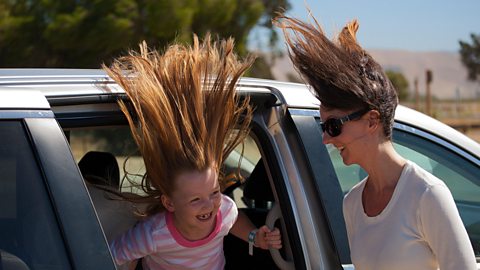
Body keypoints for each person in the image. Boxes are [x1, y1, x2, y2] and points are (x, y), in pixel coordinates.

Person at [275, 14, 477, 270]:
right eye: (322, 126)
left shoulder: (426, 194)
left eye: (333, 126)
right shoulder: (352, 203)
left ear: (372, 121)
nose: (325, 138)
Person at [103, 35, 282, 270]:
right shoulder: (153, 233)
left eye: (214, 192)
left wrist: (254, 237)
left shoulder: (223, 209)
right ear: (169, 203)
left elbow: (232, 218)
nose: (209, 205)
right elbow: (113, 256)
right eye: (195, 199)